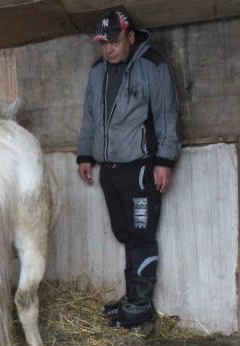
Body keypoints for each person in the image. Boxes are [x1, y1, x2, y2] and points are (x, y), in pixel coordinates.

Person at [76, 8, 180, 329]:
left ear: (130, 37)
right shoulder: (98, 72)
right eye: (102, 43)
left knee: (141, 235)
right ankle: (132, 296)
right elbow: (90, 118)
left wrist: (164, 161)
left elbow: (167, 116)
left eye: (114, 41)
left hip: (140, 169)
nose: (108, 48)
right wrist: (84, 155)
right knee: (124, 234)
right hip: (110, 169)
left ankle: (142, 305)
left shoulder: (153, 66)